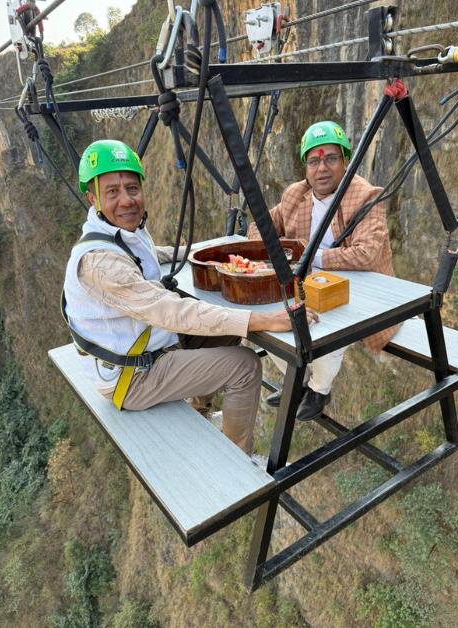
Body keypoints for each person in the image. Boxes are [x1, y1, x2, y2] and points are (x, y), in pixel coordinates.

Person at [62, 139, 316, 456]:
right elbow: (171, 310)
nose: (126, 200)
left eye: (132, 188)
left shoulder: (118, 231)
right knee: (245, 366)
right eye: (112, 192)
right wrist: (262, 320)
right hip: (132, 377)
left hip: (147, 347)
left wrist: (202, 254)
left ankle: (199, 409)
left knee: (225, 331)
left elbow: (147, 256)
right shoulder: (99, 263)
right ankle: (237, 459)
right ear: (93, 198)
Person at [246, 120, 395, 422]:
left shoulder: (365, 196)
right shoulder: (296, 195)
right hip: (306, 282)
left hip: (356, 289)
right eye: (313, 161)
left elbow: (366, 254)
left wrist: (311, 256)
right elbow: (257, 229)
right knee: (265, 320)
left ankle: (319, 388)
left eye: (331, 158)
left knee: (323, 327)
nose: (321, 168)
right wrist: (279, 252)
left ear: (345, 161)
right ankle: (296, 378)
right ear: (305, 168)